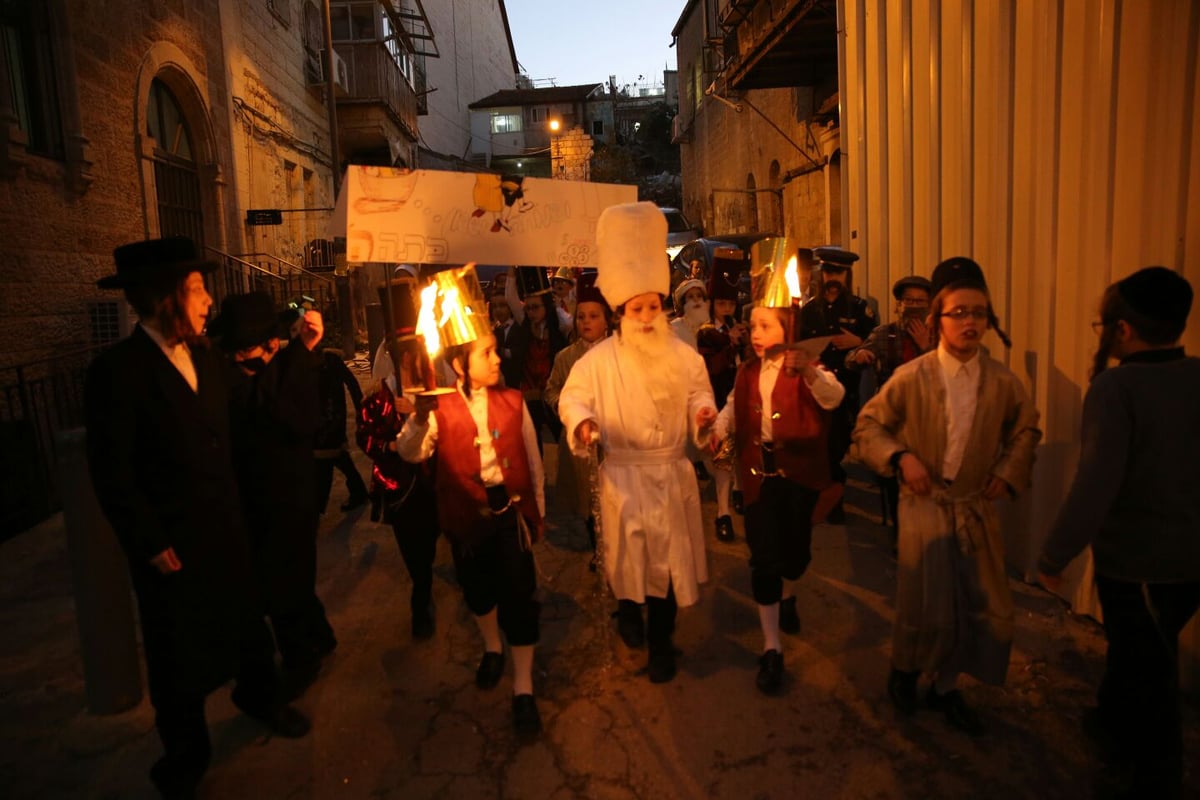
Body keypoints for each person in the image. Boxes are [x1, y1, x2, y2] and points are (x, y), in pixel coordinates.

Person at [84, 237, 308, 799]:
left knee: (247, 627)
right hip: (173, 544)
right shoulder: (119, 373)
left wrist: (300, 352)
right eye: (198, 288)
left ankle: (261, 699)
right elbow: (113, 474)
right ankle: (185, 755)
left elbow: (250, 418)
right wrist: (148, 542)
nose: (210, 300)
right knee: (176, 659)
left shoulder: (208, 358)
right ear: (166, 299)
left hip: (227, 527)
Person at [852, 256, 1041, 736]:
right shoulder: (912, 378)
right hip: (924, 509)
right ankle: (906, 672)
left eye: (979, 312)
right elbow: (869, 426)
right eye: (959, 312)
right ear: (936, 317)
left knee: (974, 606)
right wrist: (900, 458)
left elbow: (1025, 431)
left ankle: (946, 687)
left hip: (974, 508)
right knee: (926, 606)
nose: (970, 322)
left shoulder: (1001, 382)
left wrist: (1007, 469)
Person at [1036, 267, 1199, 798]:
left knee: (1154, 679)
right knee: (1138, 653)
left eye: (1102, 324)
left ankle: (1155, 777)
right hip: (1188, 566)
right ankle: (1110, 723)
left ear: (1123, 331)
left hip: (1141, 565)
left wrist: (1055, 555)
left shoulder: (1117, 387)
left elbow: (1095, 485)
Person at [558, 201, 719, 683]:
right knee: (629, 563)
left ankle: (662, 642)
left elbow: (699, 393)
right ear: (621, 312)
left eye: (654, 306)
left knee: (666, 568)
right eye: (637, 308)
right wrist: (584, 423)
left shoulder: (683, 355)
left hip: (670, 475)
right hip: (624, 479)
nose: (647, 316)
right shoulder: (598, 361)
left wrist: (703, 414)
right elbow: (574, 398)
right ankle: (629, 616)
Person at [396, 268, 546, 736]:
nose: (497, 357)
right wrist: (420, 419)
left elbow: (532, 462)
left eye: (494, 350)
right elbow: (410, 451)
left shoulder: (514, 401)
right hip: (465, 521)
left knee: (520, 599)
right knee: (479, 593)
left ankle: (523, 687)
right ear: (461, 365)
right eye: (486, 353)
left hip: (510, 515)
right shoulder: (438, 406)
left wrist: (535, 514)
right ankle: (491, 648)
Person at [712, 265, 844, 694]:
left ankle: (790, 591)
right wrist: (715, 427)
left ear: (786, 327)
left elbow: (833, 397)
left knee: (795, 556)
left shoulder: (807, 367)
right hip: (758, 478)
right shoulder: (747, 370)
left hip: (799, 479)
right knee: (763, 558)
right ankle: (771, 646)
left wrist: (807, 370)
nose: (755, 332)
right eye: (752, 325)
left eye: (765, 325)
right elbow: (733, 407)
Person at [214, 291, 337, 698]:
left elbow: (293, 416)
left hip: (292, 497)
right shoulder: (235, 377)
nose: (240, 358)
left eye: (249, 348)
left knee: (288, 581)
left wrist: (301, 352)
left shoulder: (288, 368)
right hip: (254, 499)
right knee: (285, 580)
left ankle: (303, 658)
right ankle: (318, 635)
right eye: (234, 350)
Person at [357, 283, 440, 640]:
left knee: (438, 539)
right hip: (400, 487)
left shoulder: (436, 389)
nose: (408, 359)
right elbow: (364, 437)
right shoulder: (378, 397)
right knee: (414, 549)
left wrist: (424, 411)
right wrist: (390, 445)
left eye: (413, 351)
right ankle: (421, 596)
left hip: (437, 481)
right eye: (400, 352)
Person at [845, 275, 934, 533]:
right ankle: (901, 531)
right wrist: (859, 355)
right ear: (899, 304)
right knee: (897, 476)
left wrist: (926, 348)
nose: (914, 306)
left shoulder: (940, 337)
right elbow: (852, 358)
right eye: (909, 300)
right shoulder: (886, 334)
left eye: (920, 301)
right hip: (894, 419)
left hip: (929, 420)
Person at [798, 246, 877, 522]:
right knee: (819, 446)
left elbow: (876, 342)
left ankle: (833, 493)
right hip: (815, 389)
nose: (833, 277)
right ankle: (826, 497)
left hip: (846, 391)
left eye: (839, 272)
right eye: (829, 270)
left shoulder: (859, 309)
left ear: (847, 275)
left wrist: (858, 343)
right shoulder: (808, 311)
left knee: (837, 445)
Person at [544, 272, 612, 560]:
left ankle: (614, 548)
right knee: (586, 499)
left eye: (593, 316)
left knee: (613, 499)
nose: (586, 322)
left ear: (607, 320)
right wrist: (569, 408)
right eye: (581, 316)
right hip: (578, 443)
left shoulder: (618, 355)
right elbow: (551, 389)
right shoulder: (565, 357)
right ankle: (597, 548)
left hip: (611, 440)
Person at [298, 310, 369, 514]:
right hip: (320, 419)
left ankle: (318, 506)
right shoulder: (304, 364)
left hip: (330, 419)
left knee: (326, 461)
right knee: (336, 457)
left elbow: (352, 383)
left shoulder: (330, 361)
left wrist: (359, 407)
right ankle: (358, 492)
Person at [697, 261, 748, 543]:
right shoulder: (706, 332)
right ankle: (723, 512)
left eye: (730, 303)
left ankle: (739, 490)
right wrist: (730, 343)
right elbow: (712, 367)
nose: (726, 309)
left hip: (739, 396)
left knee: (740, 449)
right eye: (722, 304)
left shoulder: (737, 328)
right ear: (713, 304)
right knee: (722, 457)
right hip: (717, 398)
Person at [507, 278, 568, 454]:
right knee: (531, 438)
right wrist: (513, 268)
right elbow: (511, 297)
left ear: (546, 307)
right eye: (528, 308)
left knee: (561, 433)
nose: (531, 312)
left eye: (536, 307)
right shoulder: (524, 323)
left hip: (551, 391)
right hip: (529, 391)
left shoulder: (559, 326)